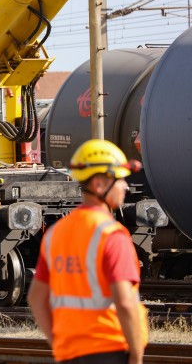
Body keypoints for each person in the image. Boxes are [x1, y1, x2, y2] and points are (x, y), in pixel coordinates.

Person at [27, 139, 148, 364]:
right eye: (119, 179)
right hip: (109, 350)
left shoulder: (56, 234)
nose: (125, 186)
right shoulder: (111, 235)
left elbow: (36, 297)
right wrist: (136, 357)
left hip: (70, 354)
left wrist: (59, 343)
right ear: (100, 185)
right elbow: (125, 302)